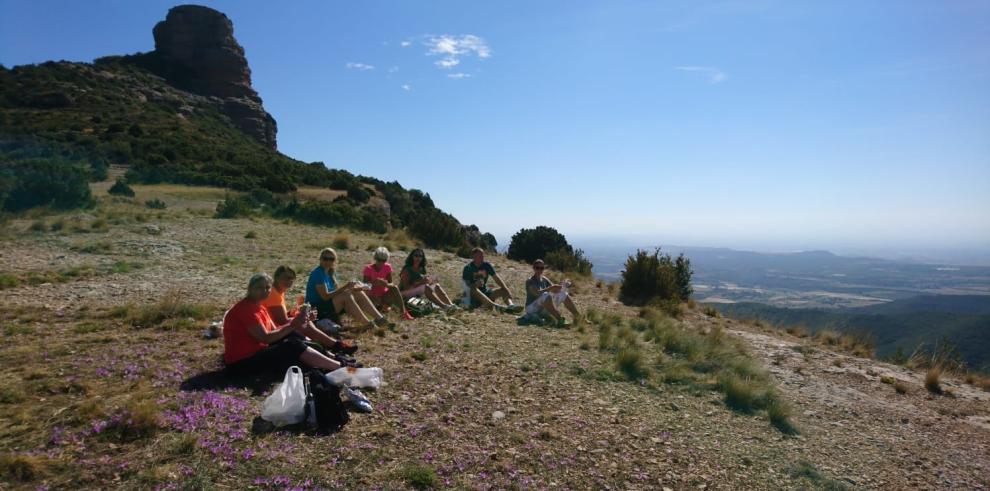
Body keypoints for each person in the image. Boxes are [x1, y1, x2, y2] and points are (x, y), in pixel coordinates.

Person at [223, 272, 344, 376]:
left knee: (293, 335)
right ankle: (339, 367)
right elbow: (265, 338)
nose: (264, 291)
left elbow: (276, 331)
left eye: (267, 288)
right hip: (241, 363)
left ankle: (332, 358)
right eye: (259, 287)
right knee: (292, 345)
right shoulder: (245, 309)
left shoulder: (259, 306)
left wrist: (302, 320)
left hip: (256, 353)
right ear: (250, 288)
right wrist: (293, 324)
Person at [264, 265, 357, 355]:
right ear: (276, 277)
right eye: (285, 277)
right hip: (273, 334)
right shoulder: (273, 294)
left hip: (276, 330)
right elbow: (282, 321)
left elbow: (279, 316)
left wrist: (298, 313)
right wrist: (304, 317)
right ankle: (335, 345)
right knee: (306, 324)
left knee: (306, 323)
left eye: (291, 279)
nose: (289, 281)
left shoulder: (278, 292)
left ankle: (329, 348)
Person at [305, 248, 394, 331]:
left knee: (358, 292)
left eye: (331, 259)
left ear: (334, 261)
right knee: (346, 295)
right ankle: (368, 324)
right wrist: (346, 287)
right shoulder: (318, 273)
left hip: (327, 306)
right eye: (325, 258)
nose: (328, 261)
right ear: (320, 259)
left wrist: (352, 288)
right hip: (316, 311)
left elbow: (335, 292)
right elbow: (325, 297)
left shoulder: (330, 272)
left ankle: (380, 319)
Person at [461, 247, 523, 313]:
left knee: (503, 289)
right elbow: (466, 286)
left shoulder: (486, 265)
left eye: (482, 256)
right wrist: (476, 284)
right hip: (473, 295)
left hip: (485, 292)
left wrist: (506, 289)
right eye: (479, 256)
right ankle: (494, 305)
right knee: (473, 289)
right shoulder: (468, 268)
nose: (482, 258)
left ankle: (511, 306)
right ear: (474, 257)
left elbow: (496, 278)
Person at [523, 259, 582, 326]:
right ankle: (560, 319)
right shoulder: (530, 281)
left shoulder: (544, 279)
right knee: (545, 295)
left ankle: (579, 317)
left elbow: (555, 290)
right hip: (532, 309)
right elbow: (537, 293)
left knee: (563, 294)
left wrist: (564, 285)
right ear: (534, 268)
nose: (540, 270)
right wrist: (551, 288)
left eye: (542, 268)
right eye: (537, 268)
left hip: (542, 307)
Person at [362, 247, 414, 321]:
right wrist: (374, 282)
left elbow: (391, 284)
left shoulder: (387, 267)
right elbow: (364, 286)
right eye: (379, 260)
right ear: (375, 258)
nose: (381, 262)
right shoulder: (368, 268)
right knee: (377, 304)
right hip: (371, 296)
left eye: (383, 260)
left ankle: (403, 312)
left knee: (395, 287)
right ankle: (382, 308)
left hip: (383, 295)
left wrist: (385, 284)